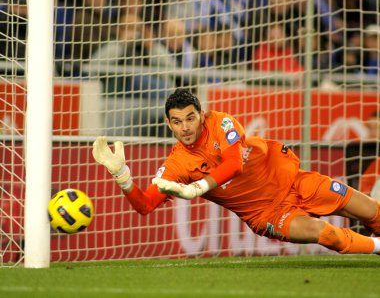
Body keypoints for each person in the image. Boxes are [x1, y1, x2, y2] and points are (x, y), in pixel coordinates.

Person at [93, 88, 380, 255]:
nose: (186, 128)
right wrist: (123, 176)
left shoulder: (222, 123)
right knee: (325, 234)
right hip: (266, 214)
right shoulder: (177, 164)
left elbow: (234, 163)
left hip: (293, 181)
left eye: (191, 118)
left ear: (202, 115)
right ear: (169, 125)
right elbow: (144, 205)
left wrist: (198, 188)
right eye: (178, 122)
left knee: (370, 210)